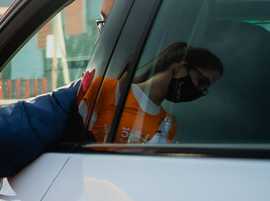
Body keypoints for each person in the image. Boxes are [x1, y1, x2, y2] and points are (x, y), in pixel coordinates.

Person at [0, 0, 128, 182]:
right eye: (102, 25)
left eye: (109, 25)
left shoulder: (100, 96)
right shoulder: (130, 94)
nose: (100, 40)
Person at [79, 41, 222, 144]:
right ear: (181, 67)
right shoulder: (107, 90)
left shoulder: (168, 126)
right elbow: (73, 140)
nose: (199, 91)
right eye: (202, 82)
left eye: (204, 90)